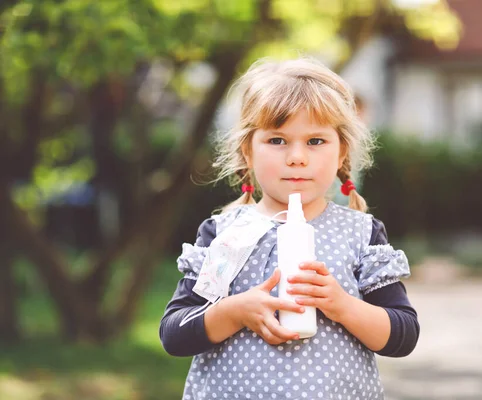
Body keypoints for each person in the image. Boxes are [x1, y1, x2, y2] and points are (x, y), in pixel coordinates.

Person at [159, 58, 420, 400]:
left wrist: (342, 305)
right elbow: (174, 334)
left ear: (342, 151)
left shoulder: (360, 234)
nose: (297, 157)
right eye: (278, 140)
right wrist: (233, 311)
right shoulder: (224, 234)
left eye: (315, 141)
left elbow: (403, 335)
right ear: (247, 151)